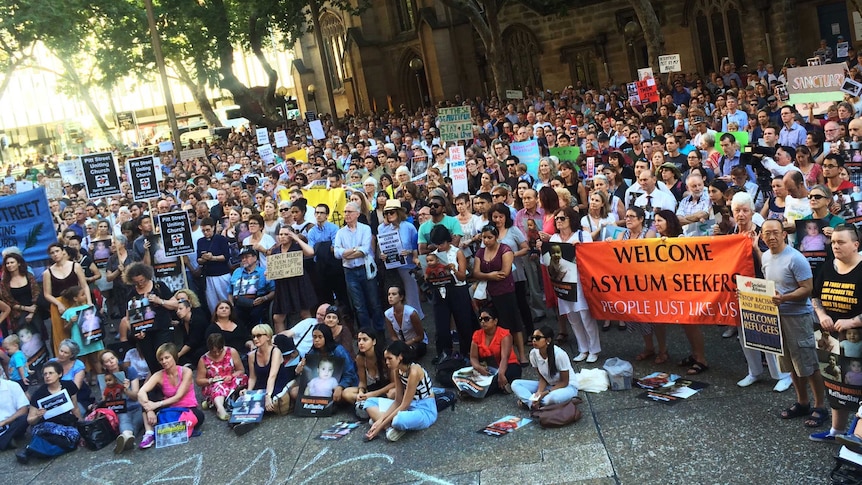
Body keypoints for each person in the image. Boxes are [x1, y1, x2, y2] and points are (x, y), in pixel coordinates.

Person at [761, 219, 828, 428]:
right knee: (789, 363)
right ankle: (802, 402)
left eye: (775, 232)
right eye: (766, 233)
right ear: (762, 236)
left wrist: (785, 298)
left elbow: (807, 289)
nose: (771, 237)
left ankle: (820, 406)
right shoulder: (765, 256)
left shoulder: (795, 258)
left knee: (807, 363)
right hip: (777, 316)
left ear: (783, 234)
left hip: (797, 316)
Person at [730, 193, 793, 392]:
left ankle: (782, 375)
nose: (741, 214)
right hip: (740, 288)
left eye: (745, 210)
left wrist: (756, 248)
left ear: (752, 211)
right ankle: (754, 371)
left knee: (767, 332)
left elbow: (770, 260)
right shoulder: (732, 232)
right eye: (737, 210)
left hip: (761, 286)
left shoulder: (762, 233)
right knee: (743, 334)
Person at [810, 225, 862, 442]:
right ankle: (837, 432)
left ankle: (858, 436)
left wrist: (853, 321)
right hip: (828, 338)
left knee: (857, 384)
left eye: (841, 242)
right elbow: (816, 297)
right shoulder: (827, 268)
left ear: (856, 245)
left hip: (857, 340)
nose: (836, 246)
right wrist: (821, 314)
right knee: (834, 384)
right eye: (833, 243)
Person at [544, 206, 600, 363]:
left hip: (580, 283)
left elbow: (593, 256)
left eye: (562, 218)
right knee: (572, 318)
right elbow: (548, 262)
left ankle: (594, 349)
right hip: (562, 283)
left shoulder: (583, 235)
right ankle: (583, 349)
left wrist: (580, 249)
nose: (559, 221)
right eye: (557, 219)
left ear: (571, 220)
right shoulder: (554, 239)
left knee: (585, 316)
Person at [473, 224, 528, 365]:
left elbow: (504, 272)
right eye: (484, 237)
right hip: (488, 293)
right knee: (494, 325)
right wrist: (490, 275)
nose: (486, 240)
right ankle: (500, 355)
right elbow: (475, 272)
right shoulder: (480, 252)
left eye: (489, 237)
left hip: (505, 291)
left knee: (514, 324)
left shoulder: (505, 249)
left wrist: (485, 275)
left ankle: (521, 355)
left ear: (496, 237)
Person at [363, 340, 437, 442]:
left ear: (400, 357)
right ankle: (388, 427)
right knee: (369, 402)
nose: (387, 362)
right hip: (408, 406)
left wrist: (379, 426)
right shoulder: (397, 370)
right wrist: (381, 420)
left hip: (424, 409)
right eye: (385, 359)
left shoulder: (414, 371)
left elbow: (404, 405)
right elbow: (398, 401)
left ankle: (386, 424)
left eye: (390, 359)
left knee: (398, 420)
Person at [427, 225, 477, 362]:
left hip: (458, 289)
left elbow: (463, 277)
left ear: (447, 241)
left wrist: (453, 270)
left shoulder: (457, 252)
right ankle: (444, 354)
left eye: (441, 243)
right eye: (437, 244)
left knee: (463, 323)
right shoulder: (434, 255)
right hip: (440, 290)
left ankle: (467, 353)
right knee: (441, 325)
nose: (440, 247)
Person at [334, 201, 385, 332]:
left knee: (374, 302)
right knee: (358, 305)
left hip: (365, 269)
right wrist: (354, 250)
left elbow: (365, 250)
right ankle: (365, 332)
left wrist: (347, 253)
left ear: (357, 214)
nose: (346, 214)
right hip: (349, 271)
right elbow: (337, 253)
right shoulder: (340, 232)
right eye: (345, 212)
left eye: (349, 212)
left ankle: (380, 332)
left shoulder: (365, 229)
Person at [16, 362, 80, 464]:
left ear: (59, 374)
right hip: (45, 426)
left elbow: (75, 408)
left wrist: (80, 425)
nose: (47, 376)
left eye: (50, 373)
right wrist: (38, 416)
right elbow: (30, 420)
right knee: (50, 431)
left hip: (65, 424)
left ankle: (32, 449)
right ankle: (36, 448)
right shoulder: (39, 394)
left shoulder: (69, 386)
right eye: (45, 374)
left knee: (74, 435)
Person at [124, 262, 178, 374]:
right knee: (152, 363)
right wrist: (135, 332)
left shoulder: (159, 286)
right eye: (136, 282)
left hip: (162, 329)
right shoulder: (131, 294)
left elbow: (175, 304)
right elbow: (128, 319)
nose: (140, 284)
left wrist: (160, 301)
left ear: (147, 276)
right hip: (144, 334)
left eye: (142, 280)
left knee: (165, 359)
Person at [511, 326, 578, 409]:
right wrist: (539, 392)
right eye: (533, 338)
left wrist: (545, 392)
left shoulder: (559, 355)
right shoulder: (533, 354)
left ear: (548, 340)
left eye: (538, 338)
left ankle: (529, 402)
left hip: (566, 387)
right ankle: (532, 404)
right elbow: (542, 378)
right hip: (549, 385)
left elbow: (564, 382)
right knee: (515, 384)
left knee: (551, 398)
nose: (534, 340)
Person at [289, 325, 358, 406]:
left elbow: (350, 373)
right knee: (294, 392)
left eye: (320, 337)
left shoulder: (339, 351)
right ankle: (326, 402)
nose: (317, 340)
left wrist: (340, 386)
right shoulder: (312, 352)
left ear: (326, 337)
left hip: (338, 386)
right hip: (319, 387)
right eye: (314, 337)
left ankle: (328, 402)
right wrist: (300, 370)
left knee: (343, 395)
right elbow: (308, 378)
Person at [43, 242, 90, 357]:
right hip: (59, 303)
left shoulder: (75, 266)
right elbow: (47, 294)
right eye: (52, 253)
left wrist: (89, 302)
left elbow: (84, 285)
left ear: (63, 251)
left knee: (83, 332)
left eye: (57, 251)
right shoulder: (47, 272)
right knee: (61, 333)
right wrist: (58, 304)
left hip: (77, 301)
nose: (55, 254)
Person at [378, 200, 423, 317]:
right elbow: (381, 248)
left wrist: (410, 252)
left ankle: (416, 318)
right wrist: (382, 255)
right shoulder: (383, 229)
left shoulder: (409, 227)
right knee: (395, 295)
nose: (389, 215)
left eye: (391, 212)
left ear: (398, 212)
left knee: (411, 295)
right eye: (386, 213)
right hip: (392, 268)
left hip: (408, 266)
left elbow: (416, 245)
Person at [269, 225, 317, 333]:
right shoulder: (275, 251)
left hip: (298, 283)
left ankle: (310, 338)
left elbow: (310, 252)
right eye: (281, 234)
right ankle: (281, 343)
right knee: (277, 317)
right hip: (283, 285)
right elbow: (273, 267)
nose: (283, 236)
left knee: (305, 313)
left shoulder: (297, 246)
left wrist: (296, 238)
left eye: (286, 234)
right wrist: (269, 272)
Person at [469, 305, 522, 396]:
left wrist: (501, 374)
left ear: (495, 321)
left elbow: (505, 358)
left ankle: (474, 391)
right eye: (481, 319)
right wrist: (478, 367)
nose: (482, 322)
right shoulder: (477, 334)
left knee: (506, 375)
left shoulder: (504, 334)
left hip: (507, 365)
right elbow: (473, 357)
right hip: (488, 368)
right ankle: (498, 387)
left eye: (486, 319)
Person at [195, 333, 247, 422]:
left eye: (220, 350)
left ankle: (213, 402)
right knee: (218, 386)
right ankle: (220, 408)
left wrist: (231, 376)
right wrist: (210, 380)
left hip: (231, 380)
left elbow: (241, 370)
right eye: (213, 351)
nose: (217, 353)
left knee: (244, 379)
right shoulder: (203, 359)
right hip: (214, 384)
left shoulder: (231, 352)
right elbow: (199, 381)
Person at [99, 349, 142, 454]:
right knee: (124, 419)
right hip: (119, 408)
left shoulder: (129, 370)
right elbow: (104, 401)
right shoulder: (104, 379)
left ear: (117, 359)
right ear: (104, 365)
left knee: (136, 422)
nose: (111, 362)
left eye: (112, 358)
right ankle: (127, 436)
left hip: (136, 406)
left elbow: (136, 396)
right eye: (107, 361)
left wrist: (126, 389)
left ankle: (126, 437)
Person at [344, 328, 394, 412]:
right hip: (373, 389)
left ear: (374, 342)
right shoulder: (360, 358)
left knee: (393, 393)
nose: (361, 343)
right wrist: (361, 392)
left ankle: (369, 406)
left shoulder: (384, 357)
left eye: (365, 340)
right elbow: (362, 382)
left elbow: (394, 383)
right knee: (346, 393)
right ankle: (372, 406)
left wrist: (374, 394)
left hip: (387, 389)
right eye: (359, 340)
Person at [60, 285, 104, 375]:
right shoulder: (68, 312)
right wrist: (71, 322)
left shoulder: (89, 307)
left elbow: (97, 321)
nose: (85, 296)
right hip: (79, 340)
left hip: (91, 337)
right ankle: (82, 381)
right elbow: (65, 329)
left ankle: (101, 379)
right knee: (80, 362)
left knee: (95, 359)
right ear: (75, 298)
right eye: (82, 295)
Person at [229, 247, 275, 331]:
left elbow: (274, 291)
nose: (244, 260)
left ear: (255, 258)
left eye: (247, 257)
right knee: (235, 316)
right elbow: (230, 292)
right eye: (242, 258)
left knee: (256, 315)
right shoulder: (237, 272)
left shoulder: (263, 272)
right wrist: (231, 305)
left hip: (258, 302)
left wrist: (264, 298)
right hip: (239, 302)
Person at [197, 217, 233, 315]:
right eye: (203, 231)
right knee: (212, 303)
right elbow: (198, 259)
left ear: (213, 228)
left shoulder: (221, 239)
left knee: (226, 301)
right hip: (209, 276)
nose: (205, 233)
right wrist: (204, 259)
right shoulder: (200, 241)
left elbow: (226, 256)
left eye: (208, 230)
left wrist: (213, 258)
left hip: (222, 275)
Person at [384, 286, 427, 358]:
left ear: (401, 297)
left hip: (415, 343)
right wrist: (399, 345)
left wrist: (405, 345)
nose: (390, 297)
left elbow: (420, 336)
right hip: (400, 343)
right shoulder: (387, 314)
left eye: (394, 294)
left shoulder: (411, 313)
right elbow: (393, 336)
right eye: (389, 294)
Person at [0, 253, 40, 331]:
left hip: (34, 311)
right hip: (17, 315)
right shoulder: (4, 282)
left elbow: (37, 293)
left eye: (12, 262)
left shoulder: (29, 276)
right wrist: (27, 309)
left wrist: (32, 312)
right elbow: (8, 302)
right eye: (7, 263)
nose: (9, 265)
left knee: (39, 339)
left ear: (18, 263)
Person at [0, 376, 29, 451]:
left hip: (12, 423)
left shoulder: (12, 385)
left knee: (25, 418)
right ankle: (7, 440)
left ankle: (3, 440)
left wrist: (5, 422)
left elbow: (23, 409)